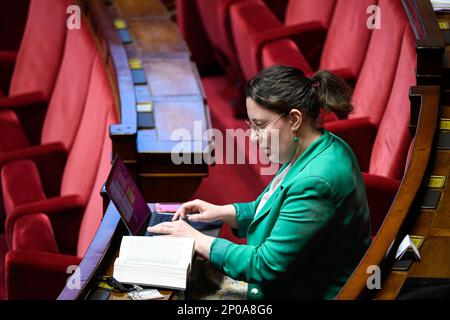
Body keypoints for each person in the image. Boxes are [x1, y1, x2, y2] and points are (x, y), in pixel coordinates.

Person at [147, 66, 371, 299]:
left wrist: (202, 241)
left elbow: (265, 266)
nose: (253, 137)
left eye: (260, 125)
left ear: (294, 119)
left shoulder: (316, 181)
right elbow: (272, 208)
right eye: (251, 126)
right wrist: (222, 212)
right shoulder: (315, 145)